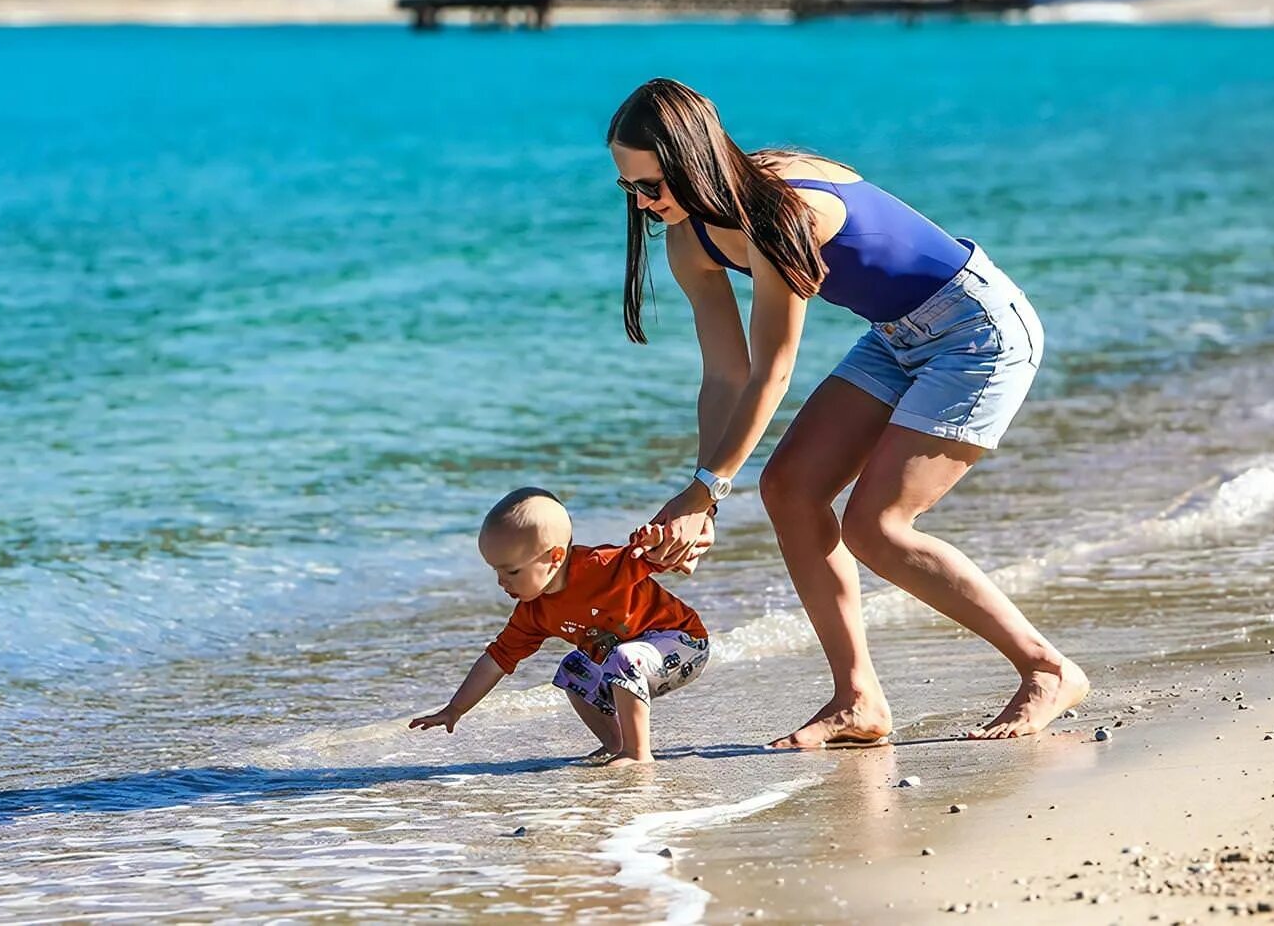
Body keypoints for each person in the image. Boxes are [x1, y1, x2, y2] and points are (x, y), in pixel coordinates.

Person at [610, 78, 1088, 747]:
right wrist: (703, 496)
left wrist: (707, 489)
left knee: (878, 527)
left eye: (653, 184)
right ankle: (859, 700)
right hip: (895, 335)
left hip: (977, 330)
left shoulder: (782, 210)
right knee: (789, 489)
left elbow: (773, 369)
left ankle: (1047, 668)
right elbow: (726, 373)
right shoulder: (690, 241)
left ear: (695, 160)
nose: (644, 203)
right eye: (629, 188)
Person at [409, 487, 712, 767]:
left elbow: (659, 558)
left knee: (624, 658)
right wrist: (455, 709)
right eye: (496, 571)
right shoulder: (533, 612)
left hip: (683, 643)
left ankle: (636, 753)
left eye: (512, 571)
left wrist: (654, 542)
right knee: (572, 671)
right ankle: (615, 743)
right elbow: (496, 660)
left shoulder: (602, 567)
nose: (501, 581)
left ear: (555, 557)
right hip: (630, 662)